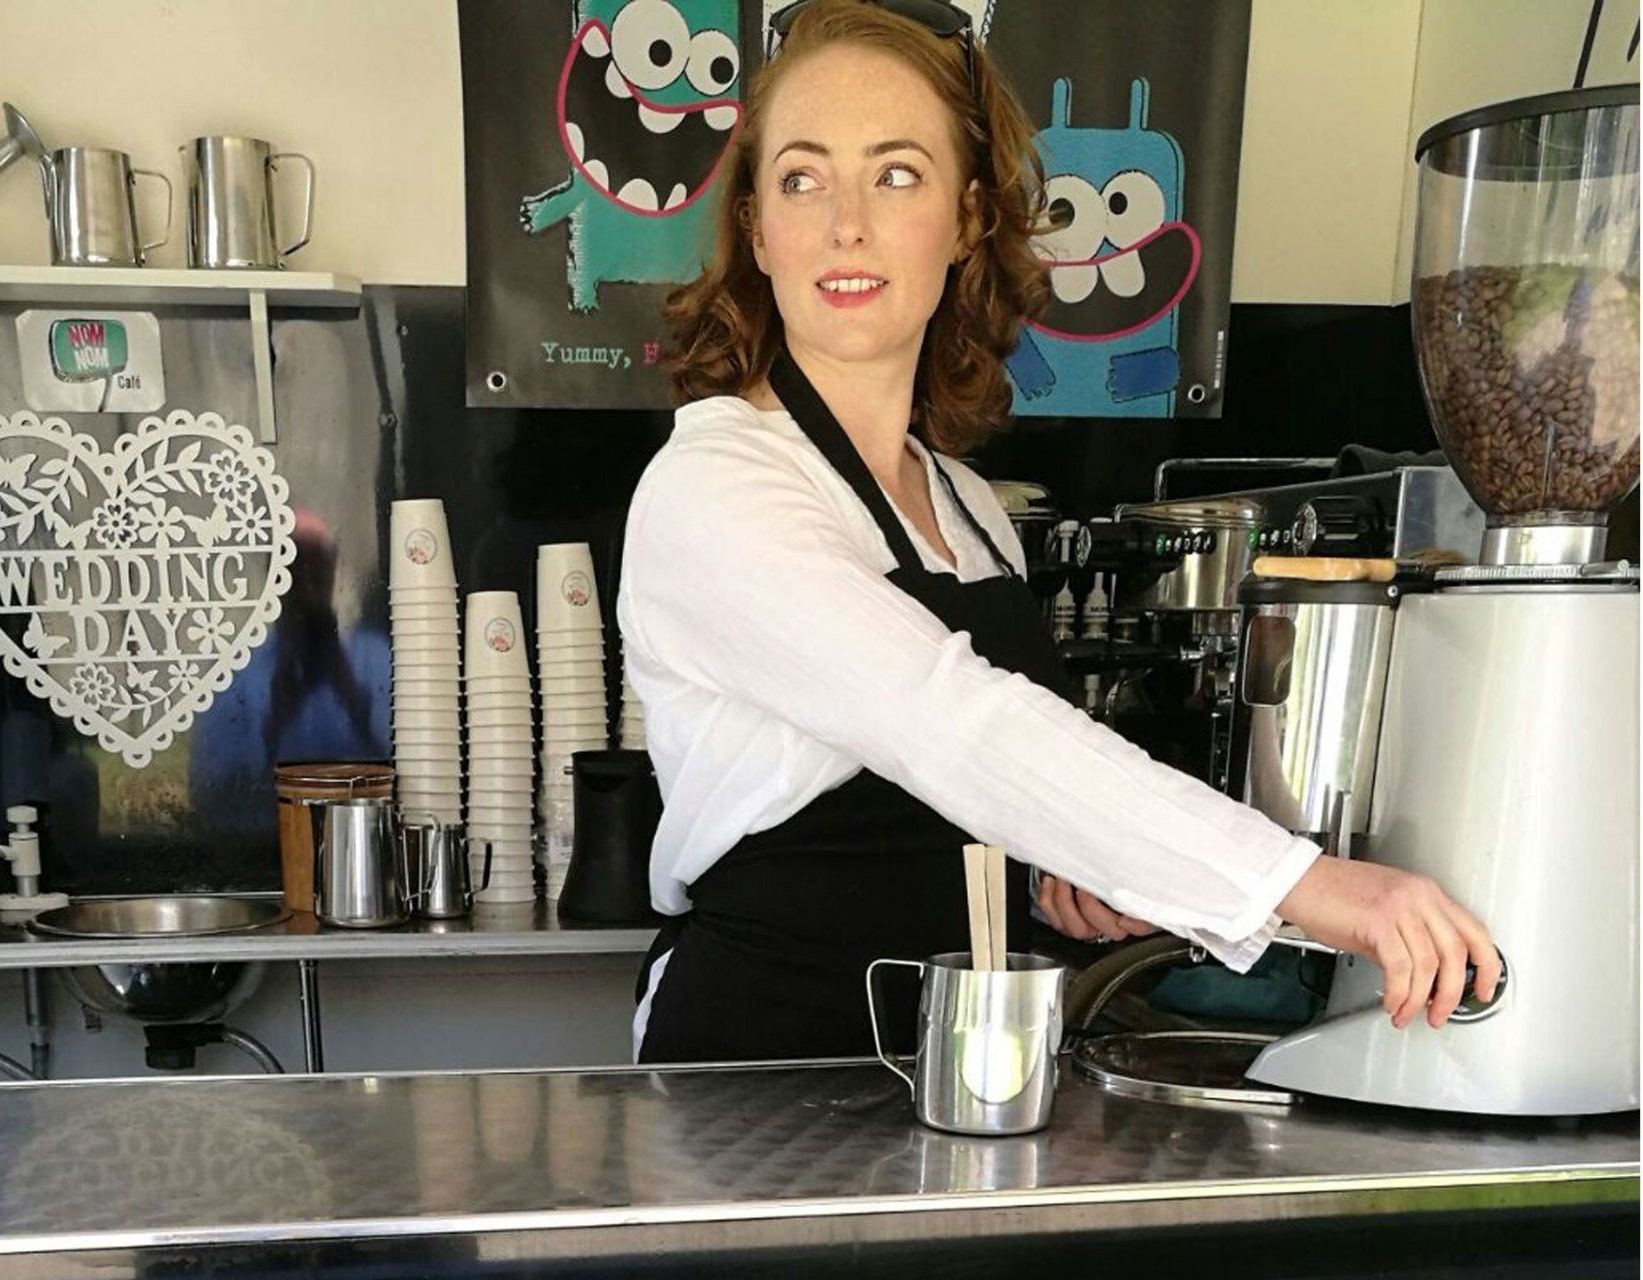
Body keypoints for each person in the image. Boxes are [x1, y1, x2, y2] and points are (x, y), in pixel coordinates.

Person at [617, 0, 1499, 1064]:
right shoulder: (712, 485)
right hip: (750, 1073)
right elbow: (946, 720)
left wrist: (1051, 871)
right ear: (757, 227)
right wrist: (1307, 885)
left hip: (956, 1066)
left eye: (896, 174)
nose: (845, 223)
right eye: (802, 178)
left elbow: (959, 794)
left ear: (967, 219)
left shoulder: (968, 505)